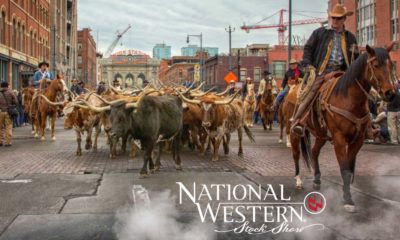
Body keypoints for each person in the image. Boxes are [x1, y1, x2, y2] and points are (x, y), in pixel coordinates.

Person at [290, 4, 359, 136]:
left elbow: (356, 57)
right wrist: (308, 66)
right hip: (322, 72)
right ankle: (299, 121)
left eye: (338, 18)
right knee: (312, 91)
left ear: (344, 19)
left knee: (361, 91)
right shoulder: (319, 33)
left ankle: (367, 124)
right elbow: (308, 49)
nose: (335, 21)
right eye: (333, 18)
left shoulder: (351, 37)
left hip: (344, 73)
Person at [0, 82, 17, 146]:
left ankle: (0, 141)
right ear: (7, 86)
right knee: (8, 127)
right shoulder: (10, 92)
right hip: (8, 112)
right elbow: (16, 102)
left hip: (0, 111)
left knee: (0, 128)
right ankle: (8, 142)